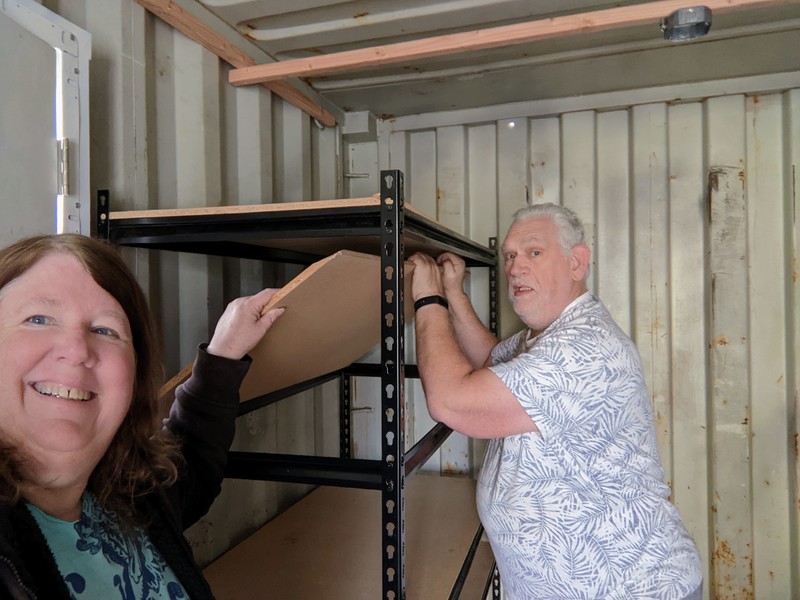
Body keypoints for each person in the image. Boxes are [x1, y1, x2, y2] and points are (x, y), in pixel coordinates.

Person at [408, 203, 703, 599]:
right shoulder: (547, 334)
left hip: (628, 589)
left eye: (533, 252)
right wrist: (454, 294)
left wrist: (427, 298)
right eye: (510, 255)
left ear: (576, 263)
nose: (514, 267)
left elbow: (452, 401)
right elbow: (491, 362)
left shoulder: (584, 349)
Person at [0, 233, 284, 599]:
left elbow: (194, 460)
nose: (76, 350)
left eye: (105, 329)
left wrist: (223, 356)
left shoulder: (129, 494)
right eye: (38, 318)